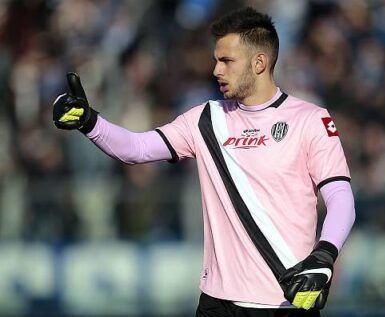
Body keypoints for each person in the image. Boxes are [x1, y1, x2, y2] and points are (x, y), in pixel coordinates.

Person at [52, 7, 355, 317]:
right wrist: (90, 122)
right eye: (216, 60)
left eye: (226, 61)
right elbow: (137, 148)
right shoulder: (205, 119)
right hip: (216, 305)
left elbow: (340, 197)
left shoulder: (310, 119)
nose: (216, 70)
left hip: (285, 302)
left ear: (259, 62)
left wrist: (324, 255)